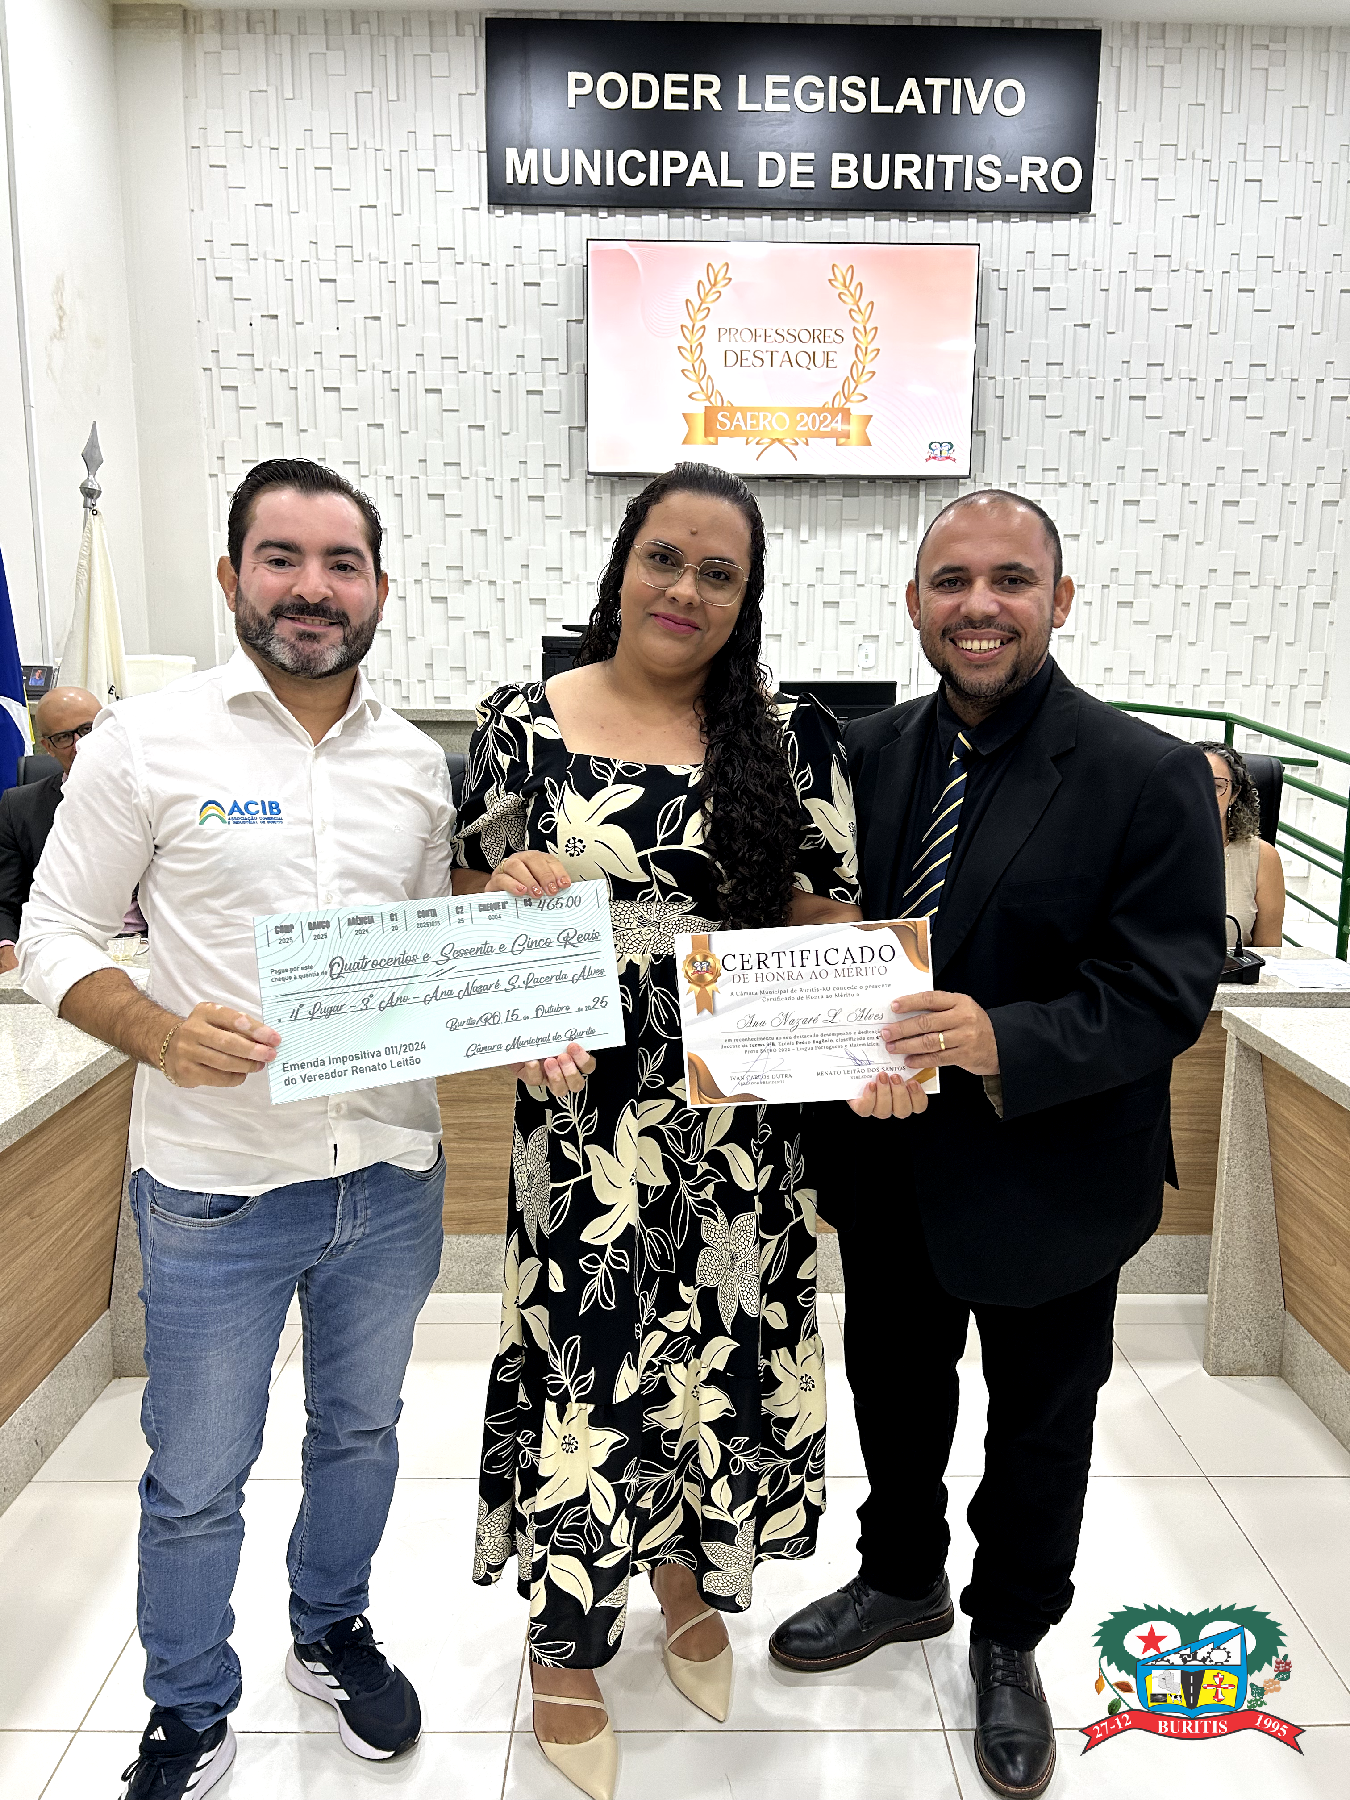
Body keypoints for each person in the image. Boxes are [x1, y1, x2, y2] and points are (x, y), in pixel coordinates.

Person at [770, 490, 1225, 1800]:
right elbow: (805, 930)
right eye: (952, 581)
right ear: (914, 603)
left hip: (1055, 1173)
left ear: (1058, 600)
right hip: (885, 1164)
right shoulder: (856, 754)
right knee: (894, 1391)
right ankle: (900, 1578)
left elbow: (1164, 990)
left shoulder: (1145, 773)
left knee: (1038, 1426)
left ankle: (1010, 1633)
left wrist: (996, 1038)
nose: (979, 606)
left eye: (1010, 580)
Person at [18, 459, 454, 1800]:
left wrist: (516, 944)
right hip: (215, 1188)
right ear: (231, 577)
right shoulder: (147, 744)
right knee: (199, 1474)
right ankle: (189, 1702)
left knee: (360, 1434)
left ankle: (330, 1630)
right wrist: (157, 1031)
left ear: (378, 589)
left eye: (341, 563)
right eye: (282, 558)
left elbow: (426, 954)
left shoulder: (417, 764)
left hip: (388, 1173)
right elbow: (54, 933)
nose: (312, 588)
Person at [453, 463, 866, 1800]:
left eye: (717, 572)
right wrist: (505, 895)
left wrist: (854, 988)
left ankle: (687, 1574)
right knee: (589, 1366)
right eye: (664, 558)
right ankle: (565, 1638)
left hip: (739, 1127)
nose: (685, 588)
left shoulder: (790, 735)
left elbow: (826, 911)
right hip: (582, 1123)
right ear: (621, 566)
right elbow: (465, 892)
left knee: (714, 1355)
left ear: (745, 598)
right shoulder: (523, 722)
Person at [0, 684, 101, 971]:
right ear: (47, 747)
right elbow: (4, 902)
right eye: (64, 737)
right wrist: (6, 948)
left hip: (147, 944)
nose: (79, 744)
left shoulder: (155, 795)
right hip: (58, 952)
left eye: (88, 729)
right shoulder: (19, 807)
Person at [1198, 741, 1286, 945]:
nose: (1204, 795)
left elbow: (1269, 953)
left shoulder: (1262, 858)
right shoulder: (1152, 849)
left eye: (1217, 786)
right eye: (1194, 783)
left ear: (1234, 795)